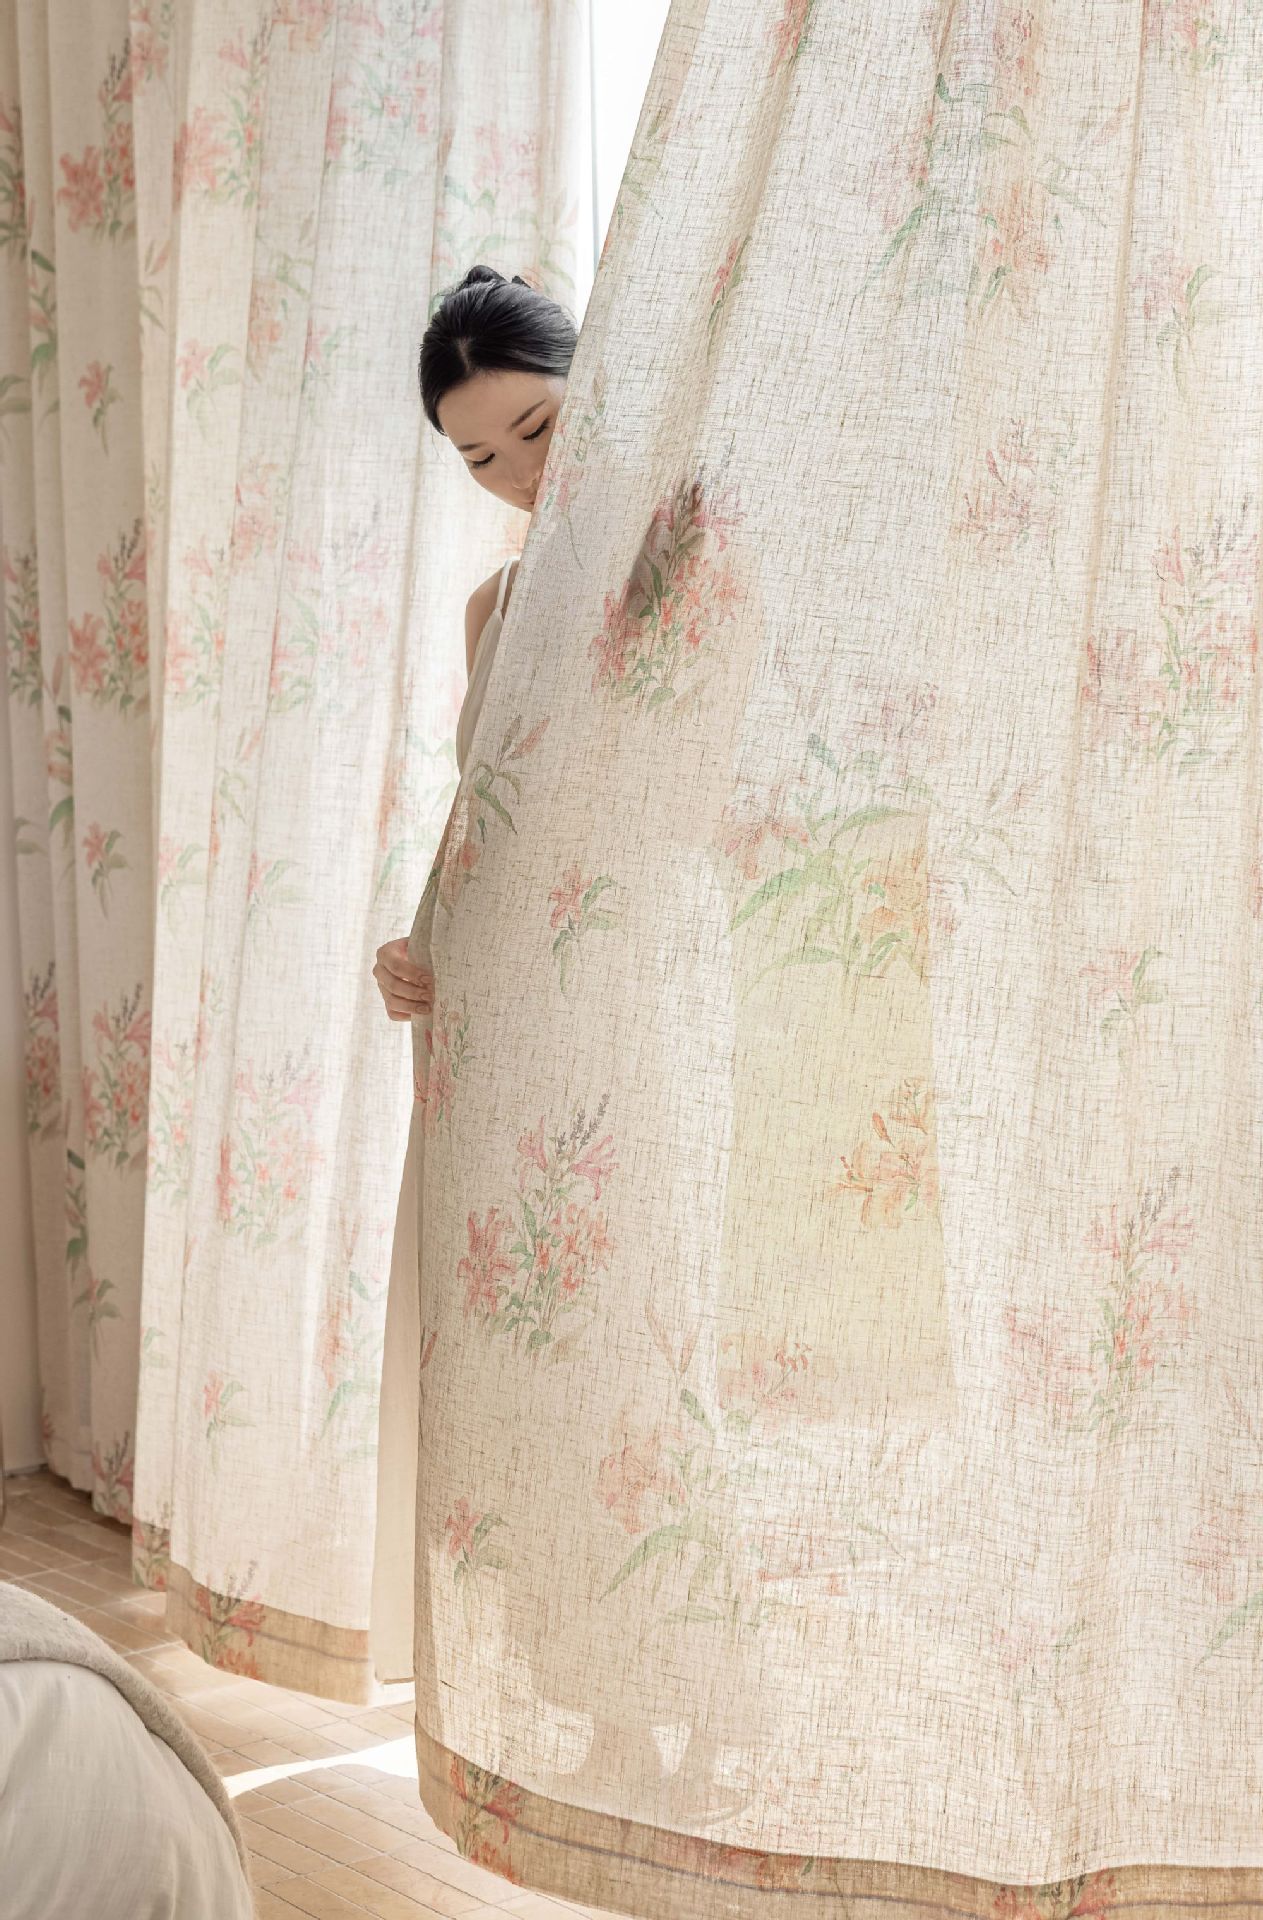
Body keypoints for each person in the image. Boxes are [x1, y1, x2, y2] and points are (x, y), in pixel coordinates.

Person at [368, 265, 578, 1680]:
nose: (516, 477)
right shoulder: (491, 605)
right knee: (518, 1349)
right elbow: (489, 822)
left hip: (632, 1011)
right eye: (480, 459)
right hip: (497, 1032)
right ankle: (558, 1665)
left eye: (538, 430)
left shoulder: (685, 550)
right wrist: (423, 947)